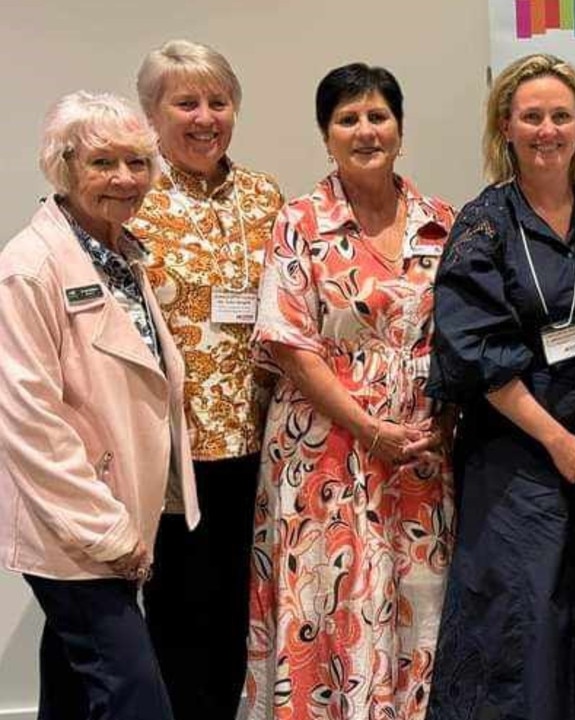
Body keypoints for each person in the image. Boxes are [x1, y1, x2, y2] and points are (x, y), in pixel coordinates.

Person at [425, 53, 575, 720]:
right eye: (532, 116)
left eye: (561, 115)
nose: (547, 130)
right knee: (522, 635)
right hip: (518, 460)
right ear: (506, 126)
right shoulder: (483, 225)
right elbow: (478, 351)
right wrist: (559, 442)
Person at [244, 63, 455, 720]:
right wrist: (369, 428)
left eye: (377, 116)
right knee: (325, 609)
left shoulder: (443, 223)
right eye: (348, 119)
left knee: (420, 607)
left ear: (399, 126)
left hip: (418, 455)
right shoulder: (299, 223)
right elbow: (290, 346)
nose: (366, 131)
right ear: (326, 135)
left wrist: (444, 421)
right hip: (325, 456)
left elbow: (465, 339)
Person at [0, 91, 198, 720]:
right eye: (102, 163)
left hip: (113, 511)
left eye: (137, 163)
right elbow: (28, 421)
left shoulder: (120, 256)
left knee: (74, 687)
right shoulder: (29, 269)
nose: (124, 179)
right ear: (64, 167)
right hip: (78, 527)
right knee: (134, 696)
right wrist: (106, 531)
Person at [126, 39, 284, 720]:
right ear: (150, 113)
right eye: (184, 102)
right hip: (168, 456)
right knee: (175, 616)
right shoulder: (130, 198)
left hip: (257, 443)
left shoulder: (264, 196)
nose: (203, 117)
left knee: (238, 610)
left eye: (217, 102)